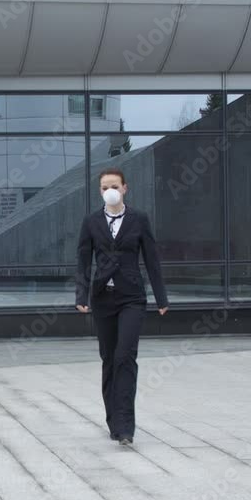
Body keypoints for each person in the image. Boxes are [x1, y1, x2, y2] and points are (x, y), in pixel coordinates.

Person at [75, 168, 168, 446]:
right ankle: (113, 421)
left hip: (131, 298)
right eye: (105, 187)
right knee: (109, 359)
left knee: (124, 357)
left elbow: (151, 259)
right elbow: (83, 261)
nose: (110, 191)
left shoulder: (139, 219)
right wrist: (81, 295)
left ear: (125, 188)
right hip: (103, 298)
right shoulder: (91, 222)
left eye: (114, 186)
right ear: (100, 191)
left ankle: (126, 427)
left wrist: (161, 297)